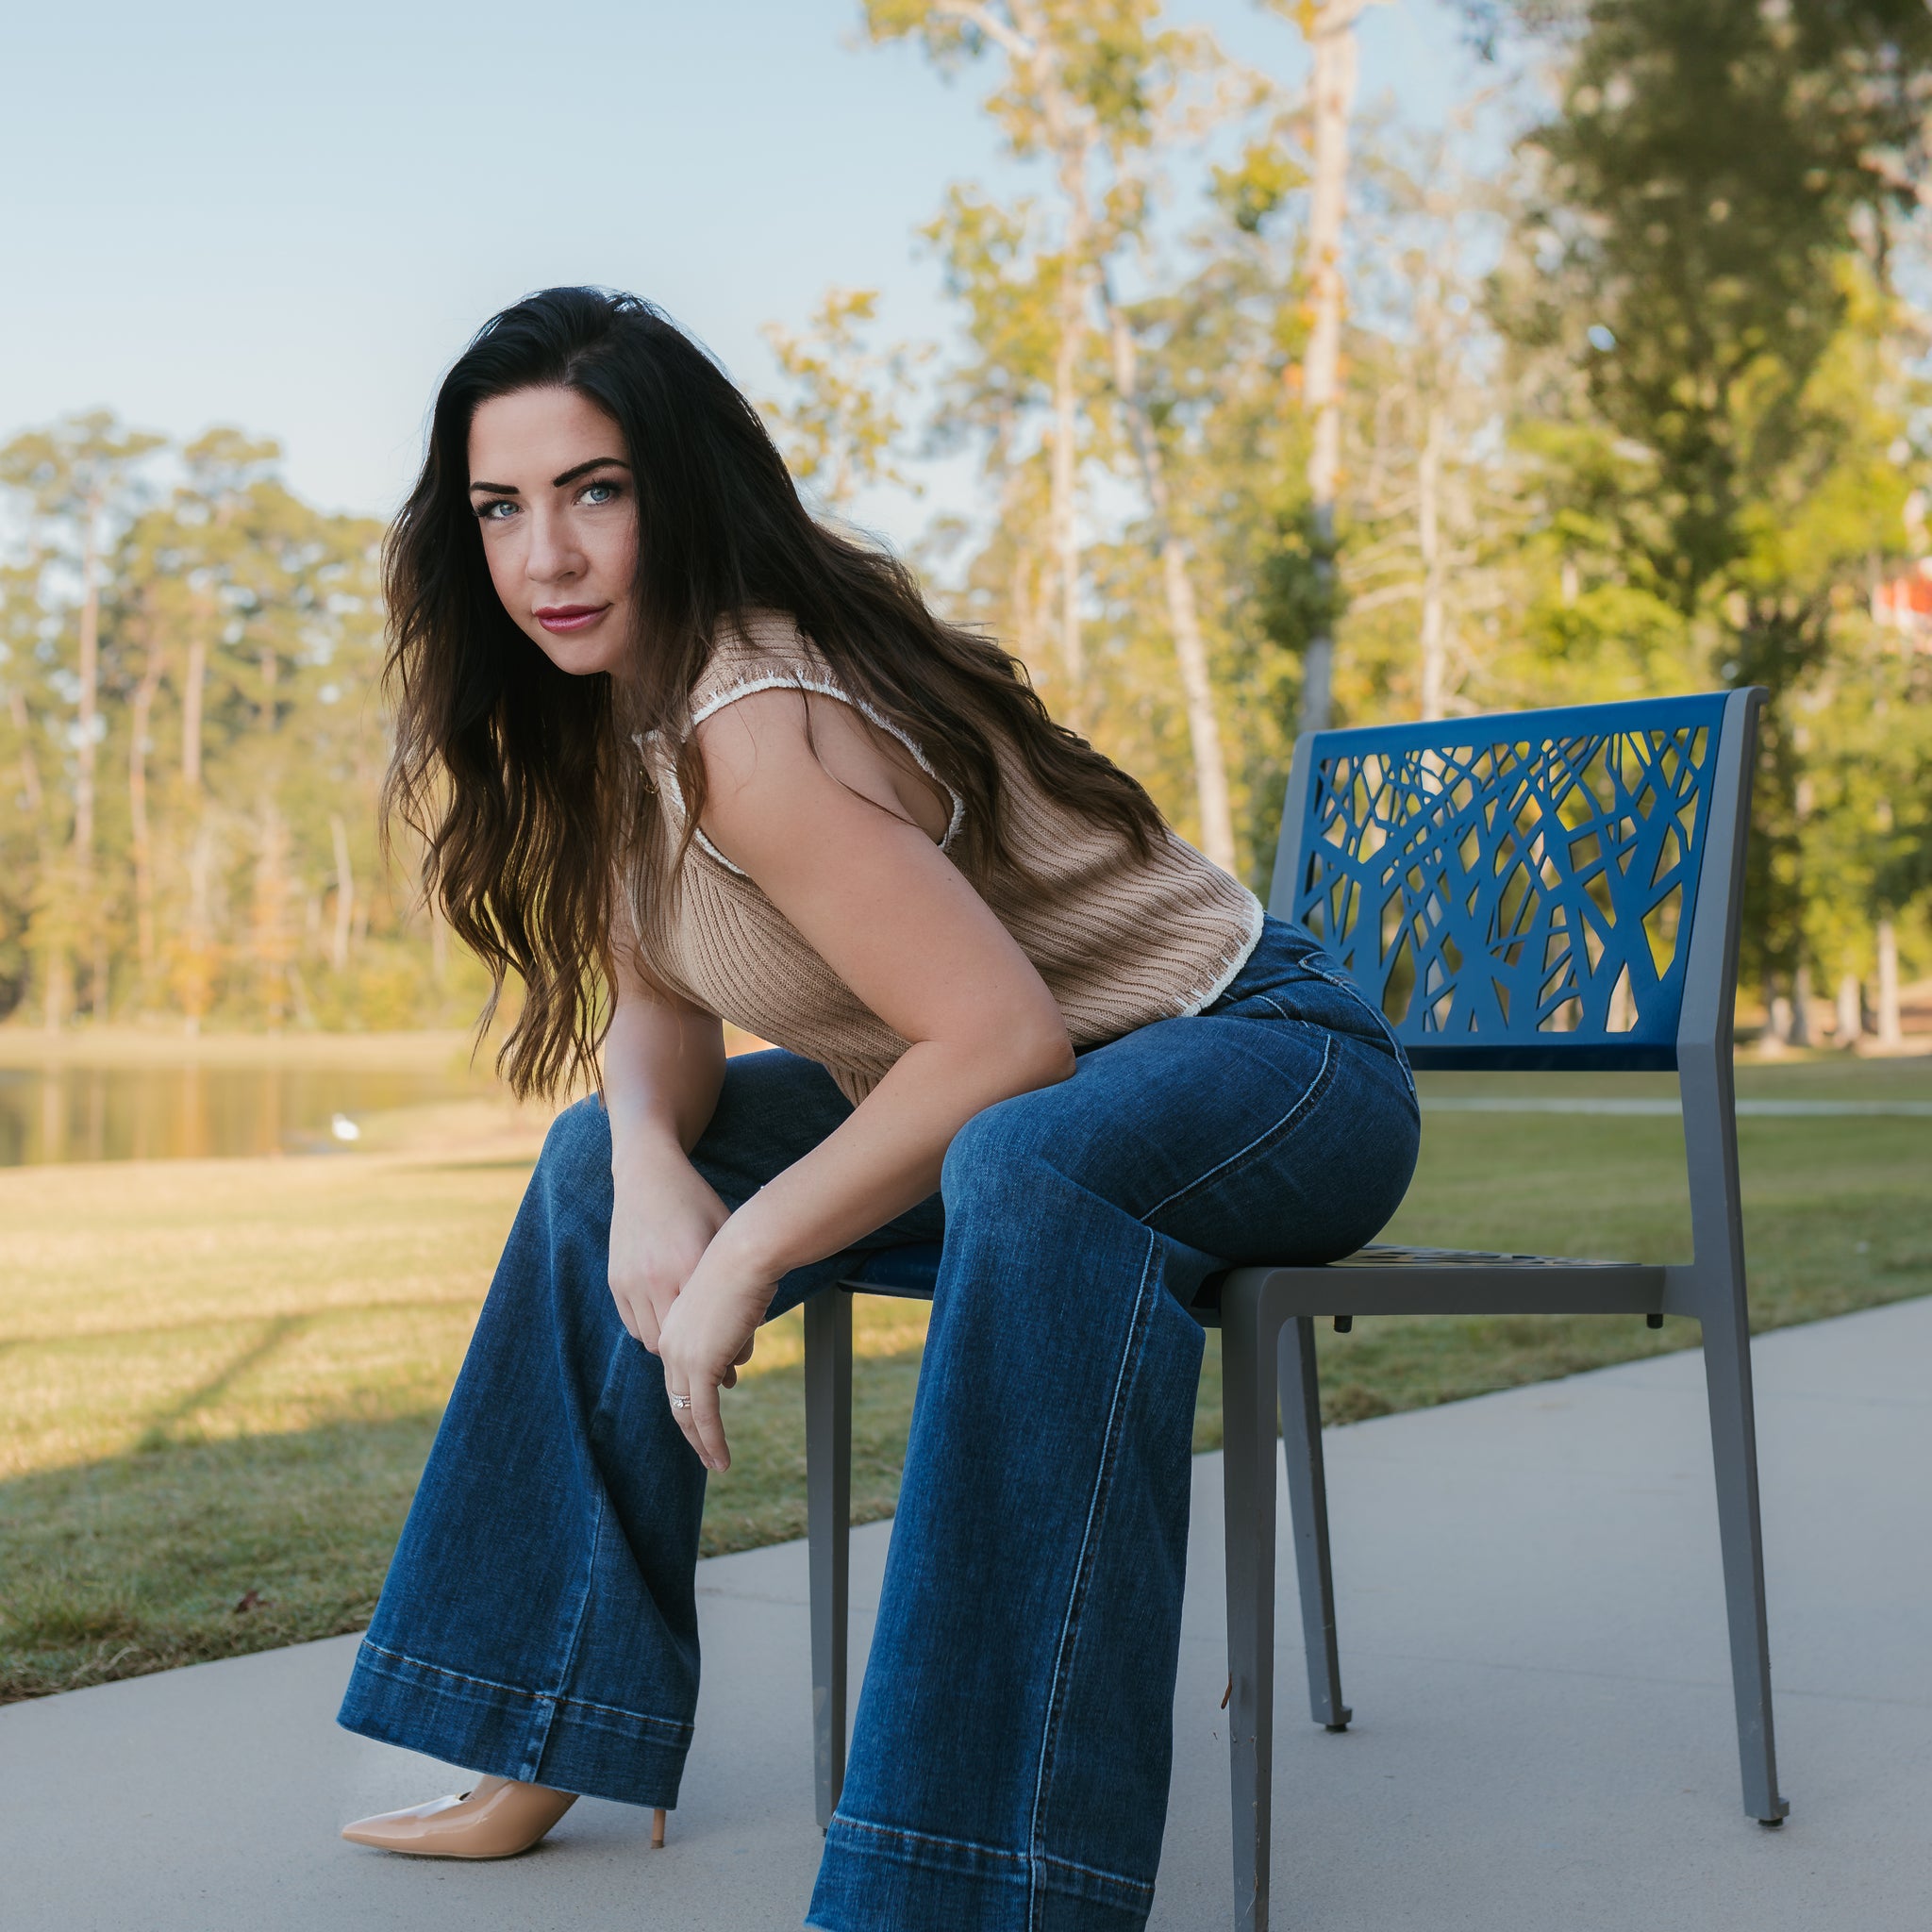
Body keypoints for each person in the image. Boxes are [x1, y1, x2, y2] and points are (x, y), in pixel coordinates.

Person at [334, 286, 1419, 1931]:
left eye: (596, 491)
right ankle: (540, 1722)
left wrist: (742, 1254)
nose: (546, 555)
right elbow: (659, 1015)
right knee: (591, 1161)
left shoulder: (752, 723)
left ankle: (981, 1889)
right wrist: (646, 1170)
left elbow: (1000, 1041)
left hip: (1270, 1063)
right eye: (502, 507)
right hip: (1034, 1109)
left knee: (1028, 1161)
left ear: (679, 491)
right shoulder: (607, 727)